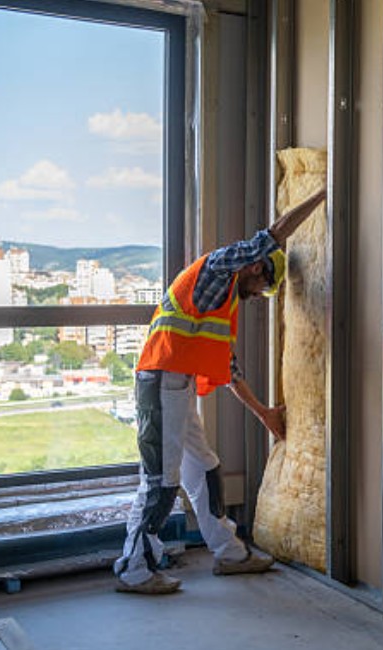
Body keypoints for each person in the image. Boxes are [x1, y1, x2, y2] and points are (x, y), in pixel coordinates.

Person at [113, 187, 327, 595]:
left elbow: (228, 370)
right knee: (161, 480)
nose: (258, 294)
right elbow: (273, 234)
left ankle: (229, 552)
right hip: (160, 382)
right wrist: (322, 194)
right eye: (264, 284)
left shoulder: (221, 303)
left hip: (178, 387)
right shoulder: (217, 270)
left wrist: (264, 412)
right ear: (255, 268)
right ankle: (134, 567)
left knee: (206, 469)